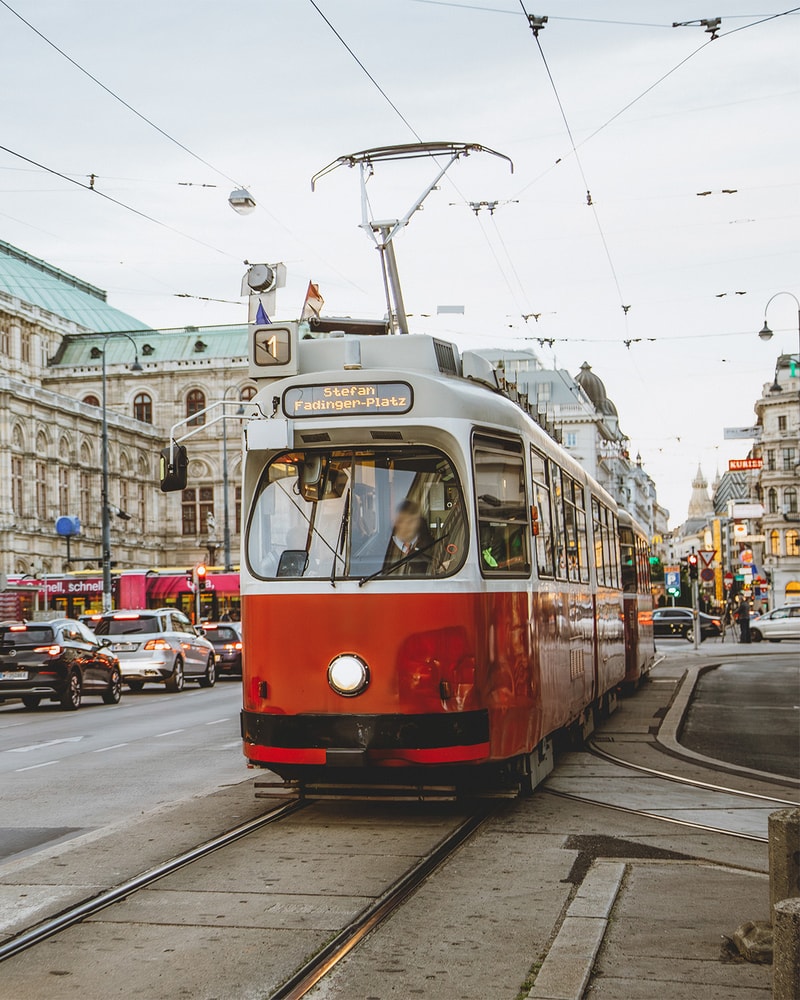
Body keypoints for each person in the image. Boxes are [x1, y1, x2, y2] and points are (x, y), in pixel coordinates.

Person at [383, 499, 433, 574]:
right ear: (395, 522)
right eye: (402, 521)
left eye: (411, 521)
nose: (406, 526)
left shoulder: (431, 547)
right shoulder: (384, 549)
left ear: (418, 522)